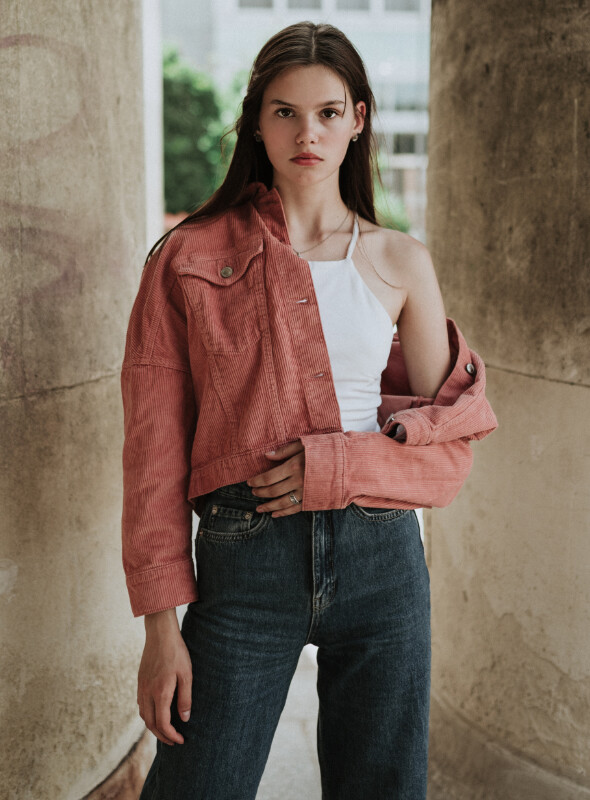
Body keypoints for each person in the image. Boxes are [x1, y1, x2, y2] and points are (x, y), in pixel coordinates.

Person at [121, 21, 497, 800]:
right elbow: (153, 450)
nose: (307, 133)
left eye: (328, 113)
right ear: (256, 122)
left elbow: (447, 451)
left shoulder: (403, 261)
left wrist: (339, 463)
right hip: (245, 563)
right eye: (285, 112)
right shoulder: (186, 258)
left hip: (383, 562)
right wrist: (161, 626)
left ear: (358, 119)